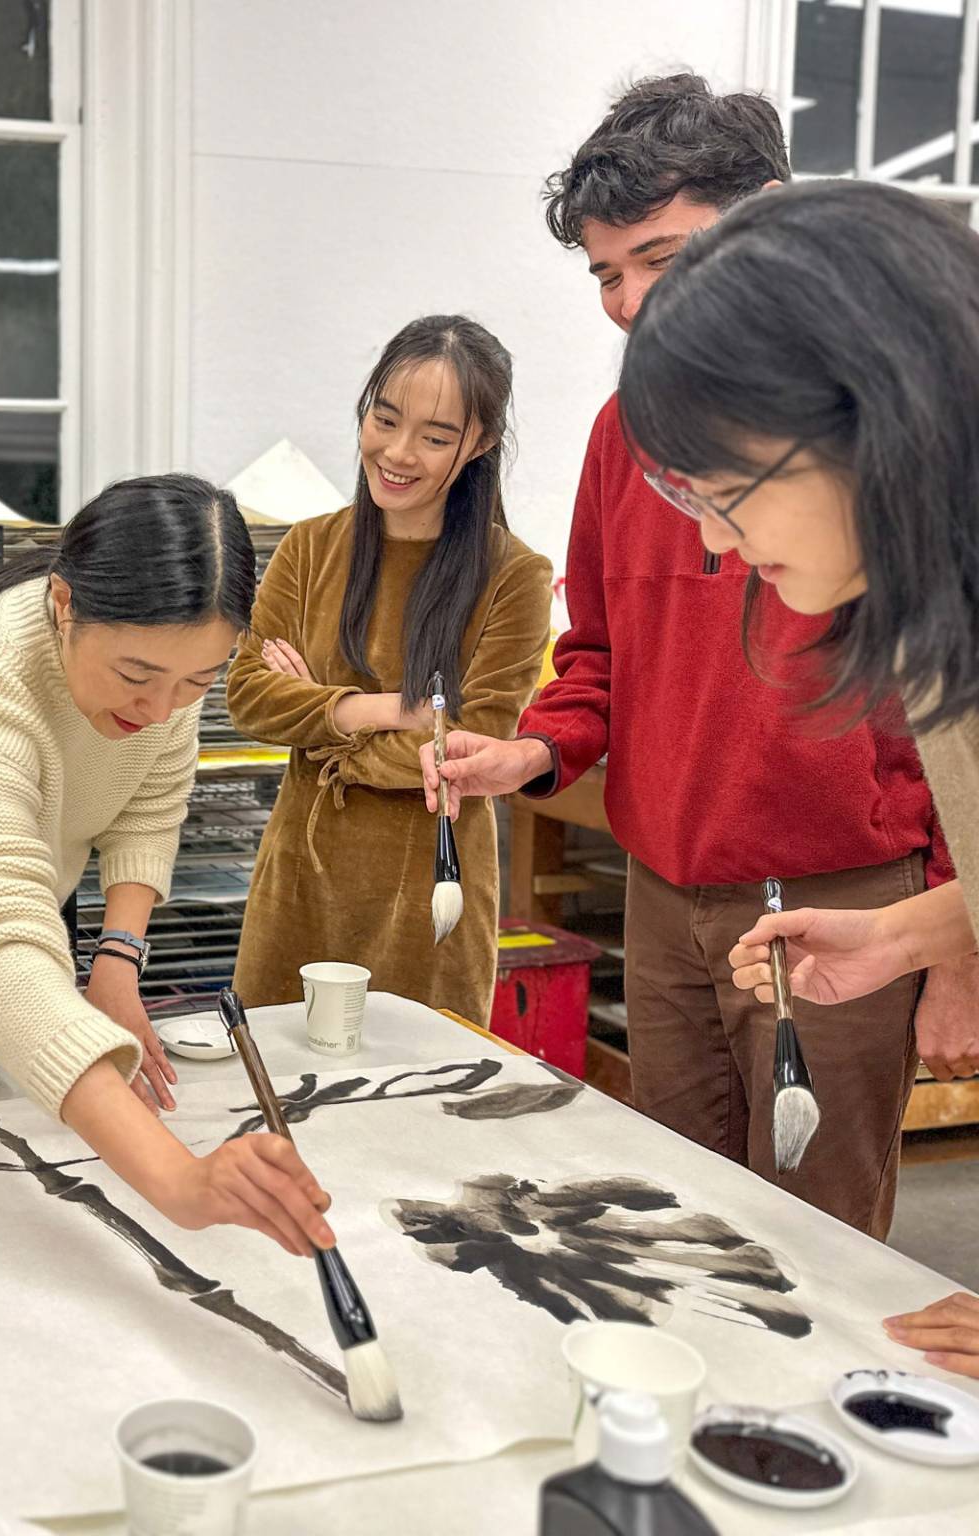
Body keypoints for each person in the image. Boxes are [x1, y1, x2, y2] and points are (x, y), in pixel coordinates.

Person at [419, 75, 967, 1240]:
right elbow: (602, 649)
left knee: (812, 1240)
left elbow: (943, 738)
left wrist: (943, 941)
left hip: (835, 880)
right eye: (605, 274)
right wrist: (535, 748)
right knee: (680, 1216)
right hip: (676, 890)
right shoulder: (627, 433)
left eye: (658, 259)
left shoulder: (902, 472)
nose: (626, 305)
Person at [612, 176, 979, 1377]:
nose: (717, 543)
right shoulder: (934, 632)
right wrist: (912, 932)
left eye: (728, 492)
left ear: (867, 417)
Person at [0, 474, 335, 1257]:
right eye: (136, 677)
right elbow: (1, 940)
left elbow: (151, 799)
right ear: (65, 604)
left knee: (36, 1140)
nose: (162, 707)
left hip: (39, 903)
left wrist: (117, 961)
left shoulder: (165, 658)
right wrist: (179, 1182)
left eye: (197, 682)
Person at [227, 315, 551, 1023]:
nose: (398, 453)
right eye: (385, 419)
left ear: (481, 444)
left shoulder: (514, 577)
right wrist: (377, 711)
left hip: (427, 897)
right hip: (298, 884)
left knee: (414, 1107)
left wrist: (314, 716)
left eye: (435, 437)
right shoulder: (310, 548)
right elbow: (248, 696)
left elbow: (469, 749)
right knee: (273, 1094)